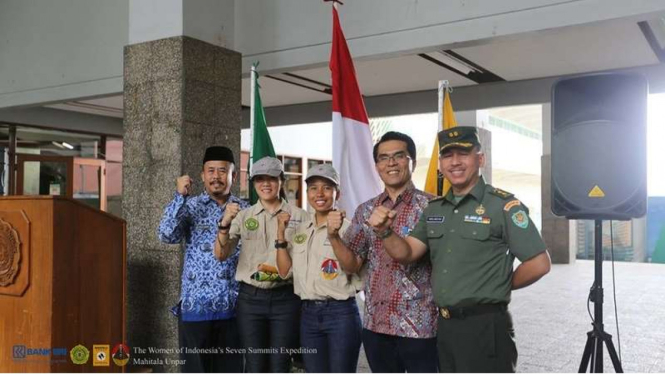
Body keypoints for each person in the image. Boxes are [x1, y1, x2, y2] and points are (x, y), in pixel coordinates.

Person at [378, 126, 552, 373]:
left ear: (480, 159)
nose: (455, 162)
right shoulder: (435, 209)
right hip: (446, 326)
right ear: (440, 164)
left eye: (464, 154)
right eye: (448, 156)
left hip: (485, 325)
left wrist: (500, 284)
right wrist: (385, 232)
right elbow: (407, 253)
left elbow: (539, 263)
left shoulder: (503, 206)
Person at [328, 131, 440, 373]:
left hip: (421, 327)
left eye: (399, 156)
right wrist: (333, 237)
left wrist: (385, 231)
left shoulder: (434, 207)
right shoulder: (366, 209)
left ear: (413, 162)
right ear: (377, 165)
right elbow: (351, 265)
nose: (391, 163)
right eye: (383, 158)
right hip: (376, 325)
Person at [214, 156, 309, 373]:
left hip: (286, 299)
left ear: (282, 181)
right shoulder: (243, 215)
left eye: (272, 178)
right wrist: (224, 224)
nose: (265, 184)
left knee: (280, 365)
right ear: (253, 183)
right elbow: (220, 255)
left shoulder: (300, 217)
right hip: (251, 300)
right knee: (255, 365)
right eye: (259, 179)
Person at [157, 146, 247, 373]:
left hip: (234, 309)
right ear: (202, 175)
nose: (216, 176)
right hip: (195, 307)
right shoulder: (190, 206)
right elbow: (166, 234)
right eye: (211, 171)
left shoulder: (246, 210)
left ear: (233, 176)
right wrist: (179, 196)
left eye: (222, 171)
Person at [274, 164, 363, 373]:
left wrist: (334, 236)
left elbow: (351, 268)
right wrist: (280, 234)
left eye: (326, 188)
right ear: (307, 193)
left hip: (340, 314)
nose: (319, 194)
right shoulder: (301, 230)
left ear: (337, 193)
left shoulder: (350, 229)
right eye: (313, 188)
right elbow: (285, 272)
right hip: (308, 315)